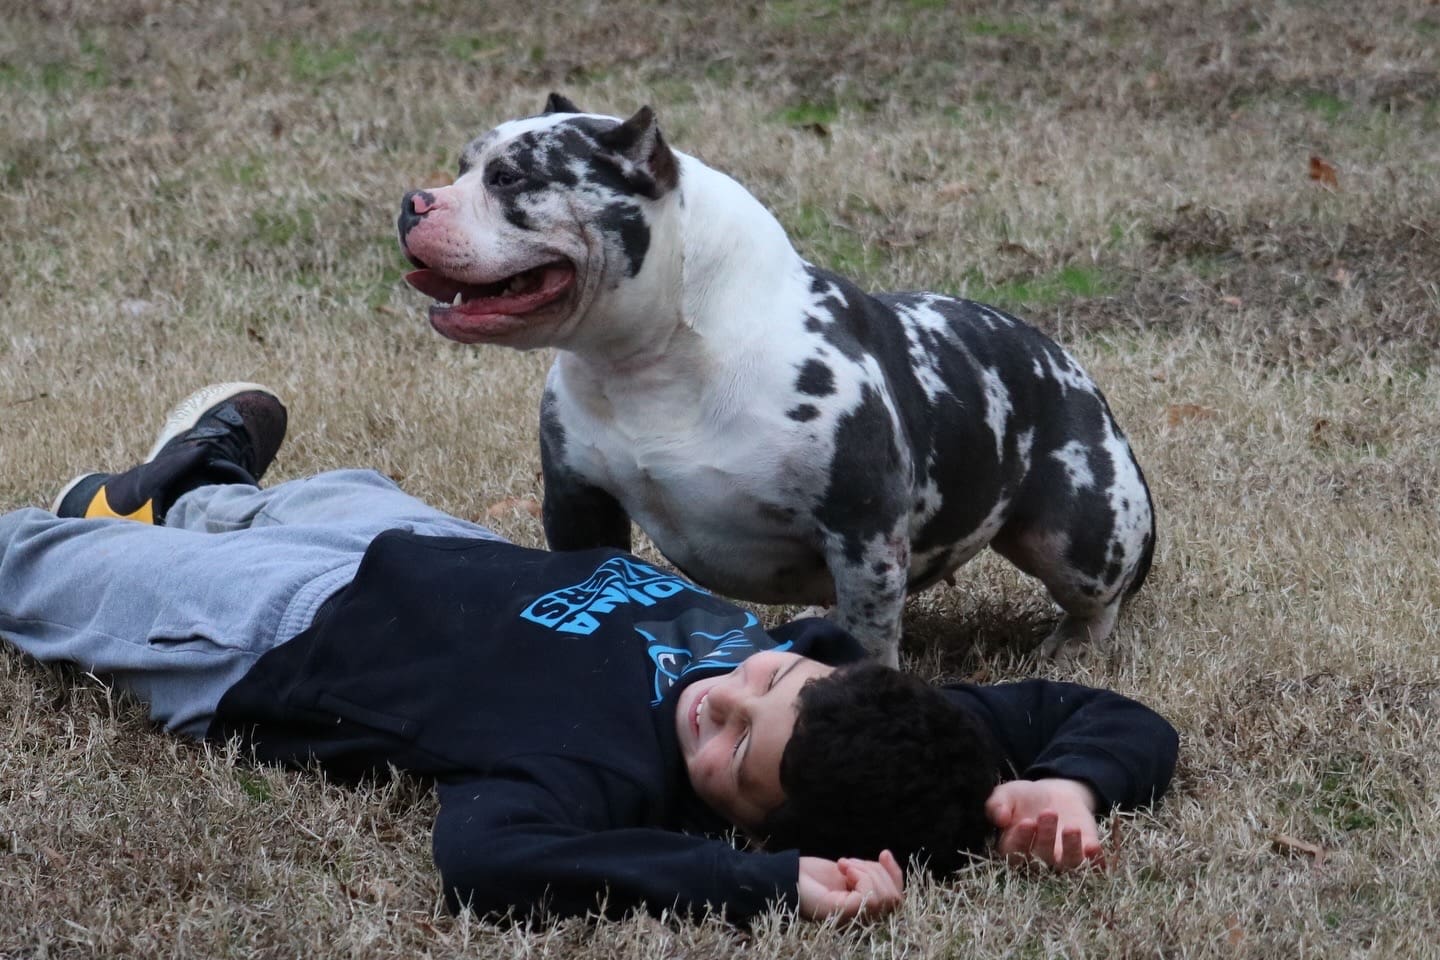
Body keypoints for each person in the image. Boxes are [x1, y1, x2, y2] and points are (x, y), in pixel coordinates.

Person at [0, 383, 1179, 925]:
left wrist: (763, 890)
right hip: (426, 554)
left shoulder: (597, 778)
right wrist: (1062, 785)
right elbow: (1112, 720)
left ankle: (109, 527)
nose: (722, 700)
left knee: (33, 564)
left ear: (755, 824)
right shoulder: (839, 690)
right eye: (768, 682)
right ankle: (183, 490)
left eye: (734, 755)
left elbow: (485, 866)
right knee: (335, 490)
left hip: (272, 635)